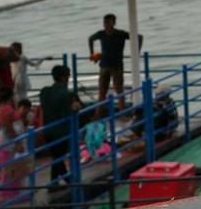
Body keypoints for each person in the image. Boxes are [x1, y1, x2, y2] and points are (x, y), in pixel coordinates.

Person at [34, 64, 81, 196]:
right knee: (58, 157)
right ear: (64, 77)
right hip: (63, 130)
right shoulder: (68, 94)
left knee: (57, 156)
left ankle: (60, 181)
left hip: (48, 130)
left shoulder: (44, 92)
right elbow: (75, 109)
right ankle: (63, 180)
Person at [86, 13, 133, 99]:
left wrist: (137, 53)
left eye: (108, 23)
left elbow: (138, 37)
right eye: (105, 23)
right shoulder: (101, 33)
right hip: (104, 66)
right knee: (102, 92)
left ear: (114, 23)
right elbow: (90, 39)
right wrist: (92, 54)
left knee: (119, 92)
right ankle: (99, 112)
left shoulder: (120, 34)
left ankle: (122, 112)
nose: (106, 25)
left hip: (117, 66)